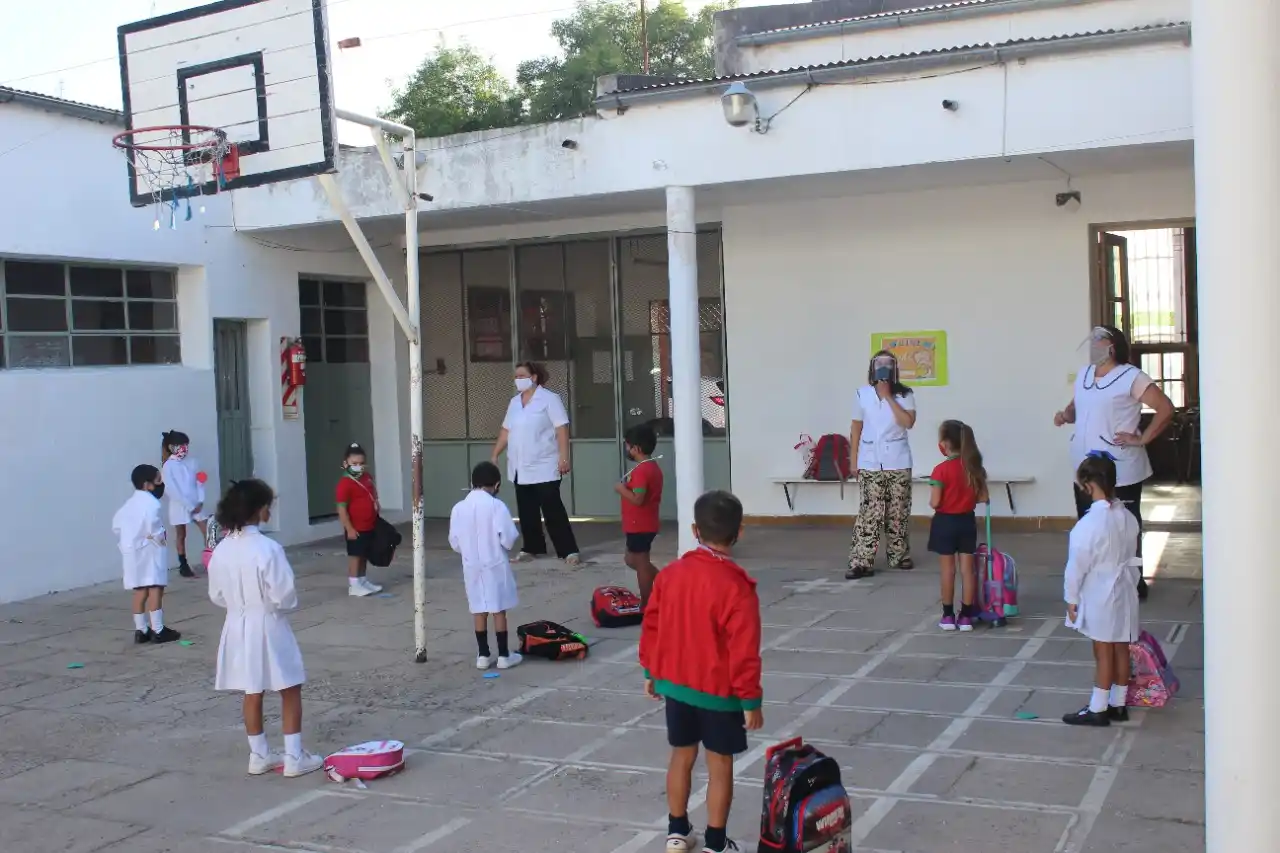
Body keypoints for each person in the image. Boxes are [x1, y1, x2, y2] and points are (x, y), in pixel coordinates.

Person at [640, 490, 762, 853]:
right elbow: (745, 652)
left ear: (694, 530)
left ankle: (677, 832)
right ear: (739, 531)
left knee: (681, 754)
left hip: (676, 685)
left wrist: (651, 668)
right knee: (720, 764)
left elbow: (653, 624)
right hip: (719, 694)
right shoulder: (738, 587)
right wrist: (751, 699)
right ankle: (715, 843)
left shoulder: (671, 575)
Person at [207, 478, 322, 777]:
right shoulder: (268, 548)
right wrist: (277, 608)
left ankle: (259, 754)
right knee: (289, 685)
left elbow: (216, 595)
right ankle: (294, 756)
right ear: (260, 510)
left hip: (235, 623)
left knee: (251, 688)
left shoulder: (222, 549)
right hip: (268, 622)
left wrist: (238, 607)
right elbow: (283, 595)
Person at [1054, 325, 1174, 600]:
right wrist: (1065, 415)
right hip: (1085, 468)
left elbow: (1165, 409)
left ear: (1114, 346)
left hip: (1120, 468)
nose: (1094, 345)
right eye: (1092, 340)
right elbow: (1078, 408)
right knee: (1090, 525)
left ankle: (1132, 581)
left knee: (1124, 525)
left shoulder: (1132, 377)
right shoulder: (1085, 374)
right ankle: (1095, 580)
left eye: (1101, 340)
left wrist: (1142, 439)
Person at [1062, 453, 1141, 727]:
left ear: (1088, 485)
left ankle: (1098, 707)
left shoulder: (1088, 525)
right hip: (1125, 588)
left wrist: (1071, 598)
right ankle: (1119, 704)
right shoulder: (1127, 517)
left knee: (1103, 649)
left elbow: (1077, 567)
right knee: (1121, 645)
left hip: (1100, 591)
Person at [490, 361, 581, 566]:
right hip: (520, 467)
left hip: (545, 464)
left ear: (534, 377)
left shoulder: (549, 399)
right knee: (526, 509)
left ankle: (568, 551)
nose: (518, 380)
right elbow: (506, 430)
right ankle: (532, 547)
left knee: (552, 509)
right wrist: (496, 453)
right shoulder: (514, 402)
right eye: (516, 377)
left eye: (522, 376)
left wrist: (564, 457)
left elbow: (561, 429)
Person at [846, 351, 918, 580]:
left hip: (897, 460)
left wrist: (889, 397)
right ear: (873, 369)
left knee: (898, 511)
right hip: (869, 461)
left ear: (895, 370)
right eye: (880, 365)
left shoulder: (905, 394)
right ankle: (861, 561)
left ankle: (899, 555)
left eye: (889, 365)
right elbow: (856, 427)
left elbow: (908, 422)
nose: (884, 369)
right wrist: (853, 459)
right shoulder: (862, 394)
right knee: (870, 512)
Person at [449, 461, 523, 671]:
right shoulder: (496, 505)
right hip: (494, 564)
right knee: (498, 609)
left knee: (478, 608)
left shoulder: (459, 507)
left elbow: (454, 542)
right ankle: (503, 656)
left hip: (471, 565)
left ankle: (483, 655)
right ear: (496, 484)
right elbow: (508, 538)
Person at [112, 464, 182, 645]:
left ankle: (141, 629)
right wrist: (157, 537)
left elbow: (116, 526)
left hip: (132, 553)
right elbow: (154, 527)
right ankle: (158, 629)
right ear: (147, 484)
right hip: (149, 551)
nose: (161, 483)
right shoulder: (152, 504)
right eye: (158, 480)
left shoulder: (128, 504)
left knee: (140, 590)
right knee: (155, 587)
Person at [928, 420, 987, 632]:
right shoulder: (973, 468)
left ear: (945, 443)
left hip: (945, 522)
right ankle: (966, 617)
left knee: (948, 570)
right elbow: (983, 497)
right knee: (967, 570)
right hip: (967, 521)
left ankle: (947, 616)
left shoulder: (940, 470)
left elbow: (935, 502)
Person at [615, 423, 664, 608]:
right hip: (641, 523)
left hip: (640, 524)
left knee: (641, 563)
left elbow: (638, 499)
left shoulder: (643, 471)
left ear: (636, 448)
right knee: (631, 559)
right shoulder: (650, 467)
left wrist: (620, 489)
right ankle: (665, 582)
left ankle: (647, 603)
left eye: (628, 446)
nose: (627, 449)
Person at [335, 443, 383, 597]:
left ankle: (362, 580)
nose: (358, 467)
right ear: (345, 464)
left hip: (369, 524)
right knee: (355, 554)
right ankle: (354, 583)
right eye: (354, 464)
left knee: (364, 554)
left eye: (361, 464)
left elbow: (372, 493)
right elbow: (342, 509)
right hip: (356, 527)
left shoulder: (367, 477)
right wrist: (349, 528)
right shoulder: (344, 484)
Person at [160, 430, 208, 578]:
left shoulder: (192, 462)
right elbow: (171, 490)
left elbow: (200, 481)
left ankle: (213, 558)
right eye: (180, 445)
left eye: (185, 445)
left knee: (207, 530)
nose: (184, 448)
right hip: (179, 505)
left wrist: (200, 501)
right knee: (181, 534)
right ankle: (183, 565)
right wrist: (188, 506)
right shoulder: (168, 466)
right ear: (172, 447)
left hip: (196, 504)